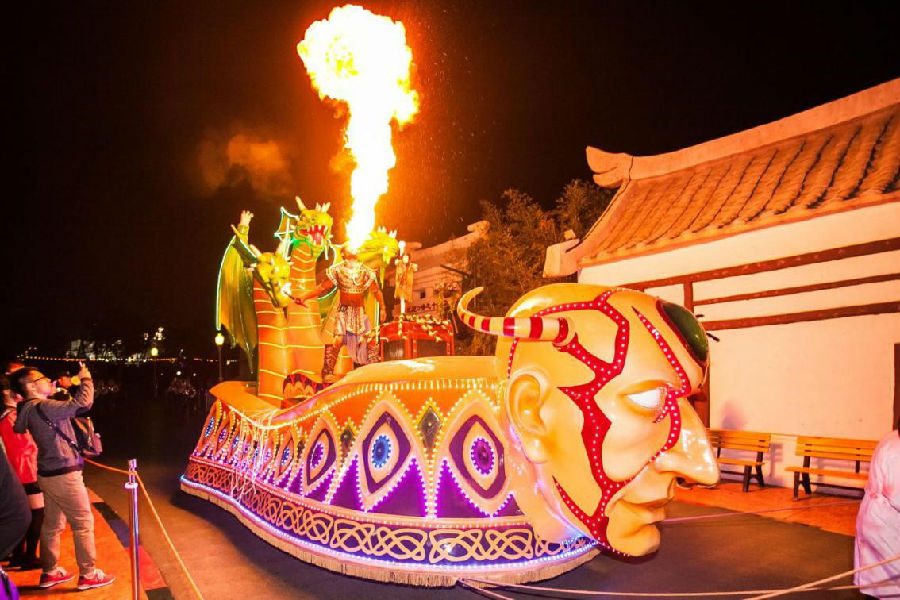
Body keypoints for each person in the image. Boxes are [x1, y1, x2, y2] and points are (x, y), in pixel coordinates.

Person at [10, 363, 114, 591]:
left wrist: (63, 386)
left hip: (48, 473)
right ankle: (88, 574)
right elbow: (83, 403)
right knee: (83, 522)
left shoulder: (28, 409)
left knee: (52, 524)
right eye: (42, 378)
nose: (49, 380)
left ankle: (50, 571)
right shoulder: (45, 406)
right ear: (31, 386)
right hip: (64, 473)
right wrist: (86, 379)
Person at [294, 245, 387, 383]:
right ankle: (327, 372)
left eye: (354, 247)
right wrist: (304, 297)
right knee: (337, 341)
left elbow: (376, 291)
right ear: (343, 254)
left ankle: (373, 371)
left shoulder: (365, 271)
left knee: (370, 341)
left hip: (359, 312)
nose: (353, 248)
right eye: (349, 247)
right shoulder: (337, 271)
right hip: (344, 311)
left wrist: (383, 308)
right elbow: (321, 289)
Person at [0, 375, 43, 571]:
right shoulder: (12, 417)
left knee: (22, 513)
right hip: (26, 470)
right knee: (36, 514)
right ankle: (29, 556)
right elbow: (26, 445)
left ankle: (18, 555)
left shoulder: (5, 416)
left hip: (16, 470)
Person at [854, 421, 899, 599]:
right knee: (888, 582)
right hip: (886, 525)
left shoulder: (891, 437)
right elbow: (897, 496)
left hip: (877, 518)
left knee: (878, 579)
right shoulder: (897, 450)